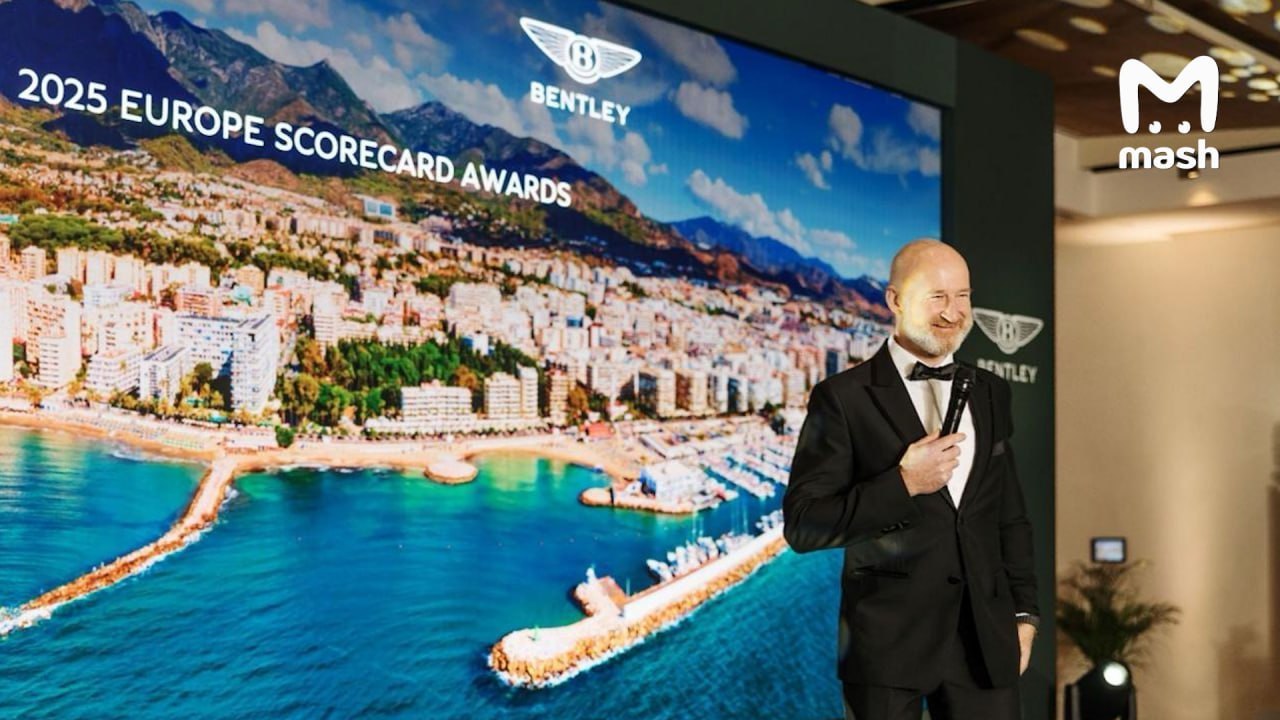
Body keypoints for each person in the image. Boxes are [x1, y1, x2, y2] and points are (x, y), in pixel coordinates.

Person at [783, 239, 1039, 720]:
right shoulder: (842, 398)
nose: (953, 312)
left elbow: (1009, 516)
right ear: (895, 300)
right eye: (937, 296)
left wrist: (1025, 615)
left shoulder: (992, 392)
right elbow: (804, 525)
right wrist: (903, 483)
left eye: (962, 296)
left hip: (986, 645)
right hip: (887, 648)